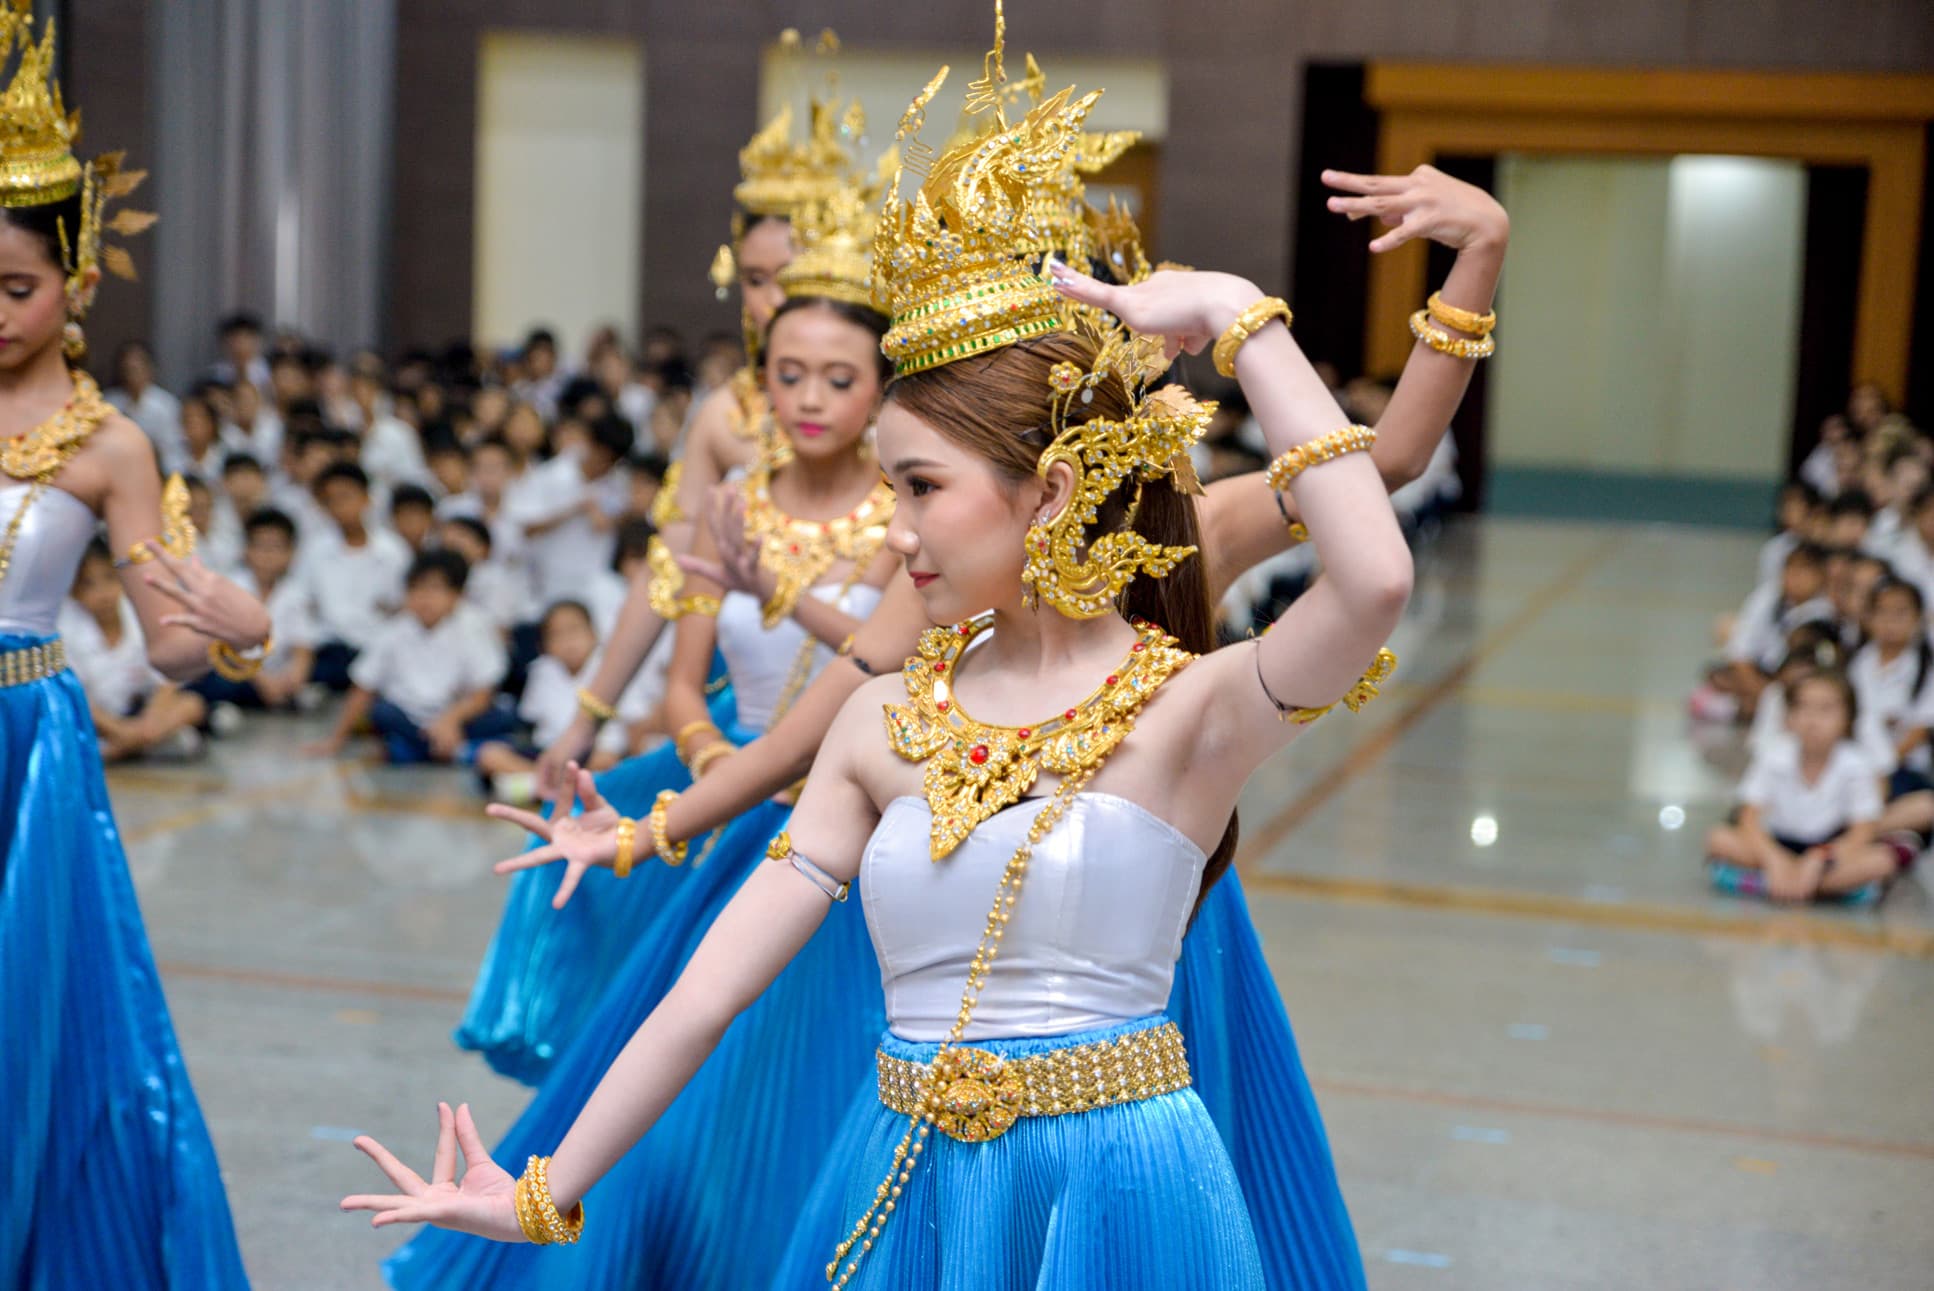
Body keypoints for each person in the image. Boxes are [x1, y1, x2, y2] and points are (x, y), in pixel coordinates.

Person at [355, 37, 1504, 1291]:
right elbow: (702, 995)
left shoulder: (1189, 711)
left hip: (1121, 1200)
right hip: (902, 1184)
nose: (892, 527)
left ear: (1049, 489)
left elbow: (1373, 567)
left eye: (919, 487)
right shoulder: (881, 724)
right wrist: (544, 1189)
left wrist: (1234, 316)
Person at [0, 11, 269, 1279]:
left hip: (28, 740)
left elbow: (166, 637)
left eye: (17, 288)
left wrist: (230, 630)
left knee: (41, 1006)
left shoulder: (112, 446)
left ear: (79, 282)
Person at [1706, 670, 1898, 903]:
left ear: (1848, 718)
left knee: (1882, 860)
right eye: (1802, 708)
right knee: (1719, 839)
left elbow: (1862, 831)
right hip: (1778, 844)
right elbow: (1748, 817)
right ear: (1789, 717)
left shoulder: (1856, 764)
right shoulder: (1774, 756)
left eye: (1826, 709)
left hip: (1830, 849)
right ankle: (1819, 889)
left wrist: (1818, 860)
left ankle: (1774, 884)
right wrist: (1773, 859)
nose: (1812, 720)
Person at [308, 549, 512, 764]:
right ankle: (457, 752)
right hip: (409, 719)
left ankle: (417, 751)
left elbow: (482, 693)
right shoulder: (394, 631)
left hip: (457, 716)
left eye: (435, 589)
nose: (425, 598)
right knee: (381, 712)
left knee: (502, 715)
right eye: (416, 589)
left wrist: (449, 721)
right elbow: (363, 688)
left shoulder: (473, 627)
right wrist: (336, 740)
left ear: (456, 596)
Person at [60, 539, 208, 761]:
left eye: (109, 578)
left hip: (135, 716)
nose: (103, 594)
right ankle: (131, 747)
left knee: (192, 704)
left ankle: (119, 749)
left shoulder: (138, 615)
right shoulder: (66, 627)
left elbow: (165, 681)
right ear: (73, 592)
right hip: (93, 718)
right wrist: (121, 731)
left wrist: (148, 726)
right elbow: (76, 696)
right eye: (88, 584)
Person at [300, 461, 411, 689]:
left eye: (346, 497)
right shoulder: (315, 550)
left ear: (366, 499)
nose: (340, 507)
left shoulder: (393, 551)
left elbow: (402, 607)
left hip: (376, 647)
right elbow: (303, 604)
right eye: (331, 500)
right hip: (330, 647)